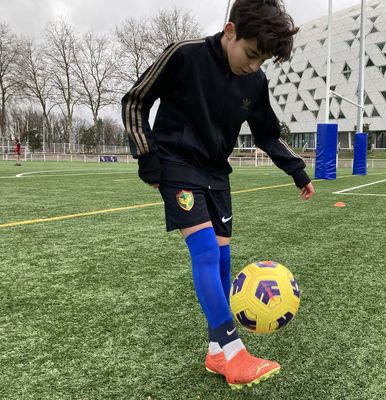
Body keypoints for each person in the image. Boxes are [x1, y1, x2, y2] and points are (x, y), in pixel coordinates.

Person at [121, 0, 314, 390]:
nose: (253, 65)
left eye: (263, 60)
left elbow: (266, 133)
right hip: (176, 163)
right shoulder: (185, 54)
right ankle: (234, 351)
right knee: (206, 252)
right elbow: (135, 101)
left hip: (215, 172)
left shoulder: (255, 82)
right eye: (251, 54)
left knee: (223, 259)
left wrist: (296, 170)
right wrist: (148, 158)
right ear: (230, 32)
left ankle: (215, 352)